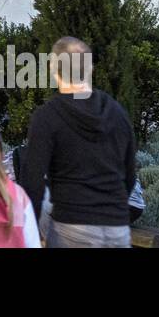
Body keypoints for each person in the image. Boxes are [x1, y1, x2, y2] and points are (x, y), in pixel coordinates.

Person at [19, 36, 136, 248]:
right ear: (90, 68)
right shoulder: (118, 113)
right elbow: (129, 176)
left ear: (54, 71)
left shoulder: (47, 117)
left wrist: (31, 233)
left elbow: (33, 181)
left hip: (72, 227)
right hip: (118, 227)